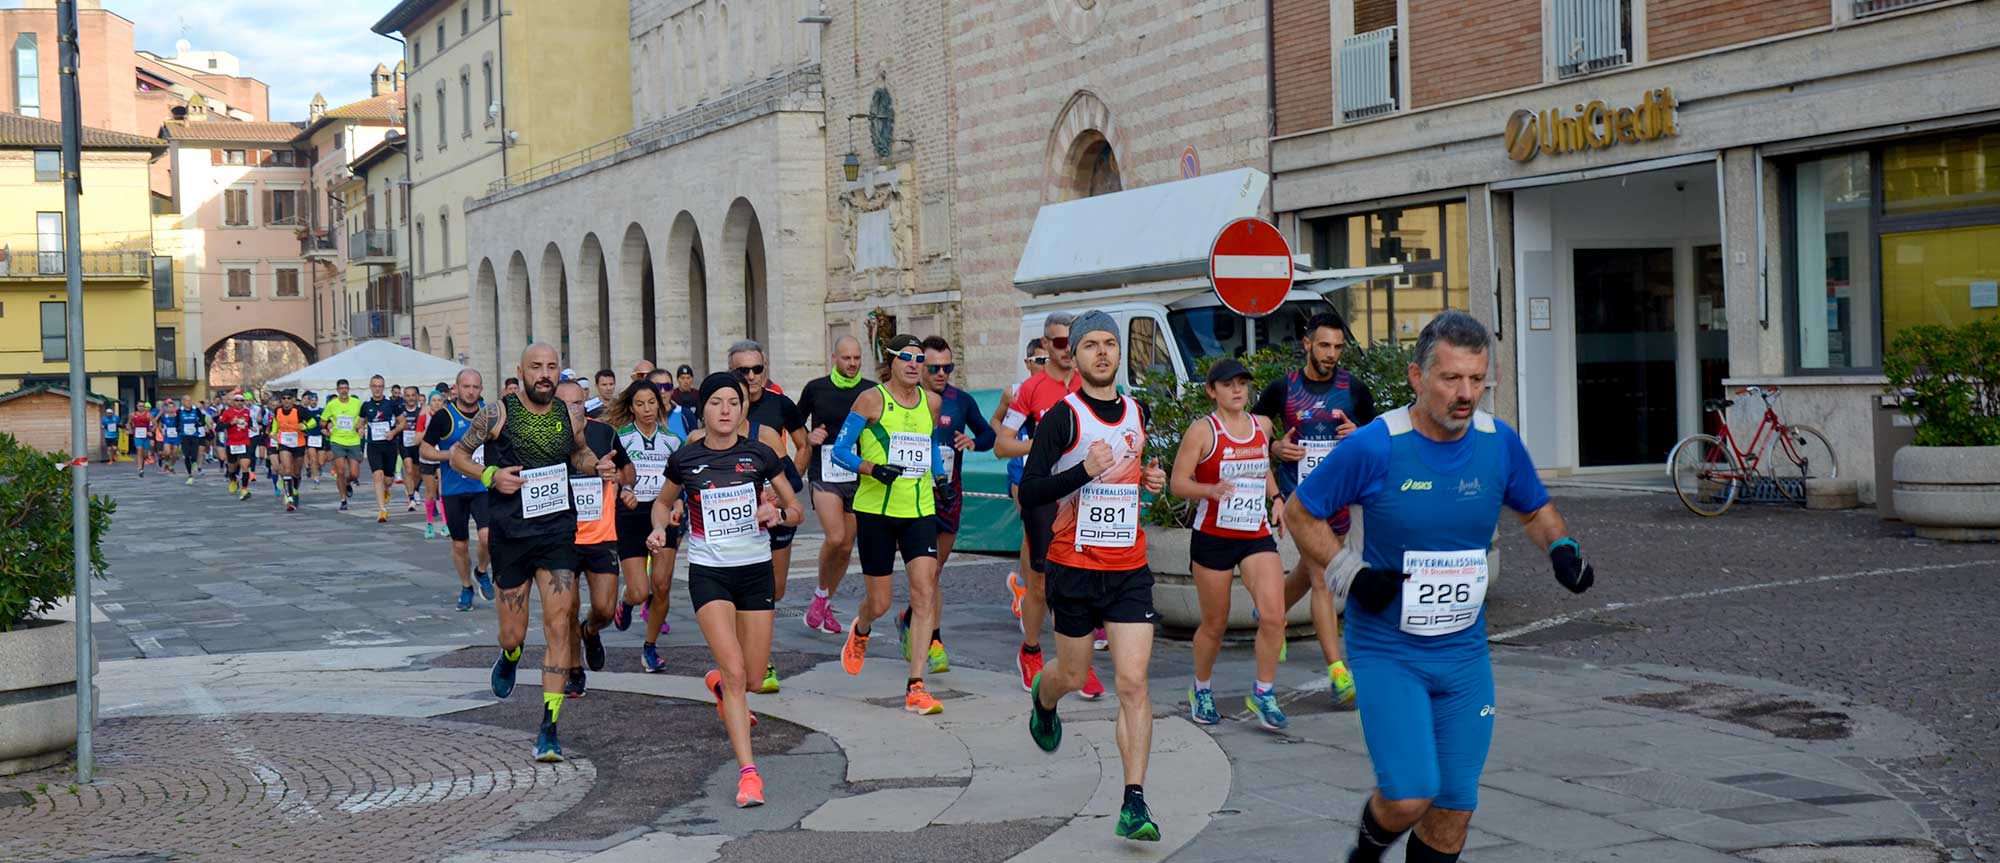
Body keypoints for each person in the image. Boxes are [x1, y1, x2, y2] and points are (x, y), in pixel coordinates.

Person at [1283, 312, 1596, 863]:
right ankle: (1365, 853)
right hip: (1389, 652)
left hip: (1464, 655)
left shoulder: (1498, 443)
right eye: (1451, 378)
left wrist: (1562, 549)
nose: (1466, 393)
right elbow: (1300, 512)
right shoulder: (1376, 446)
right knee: (1409, 797)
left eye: (1477, 379)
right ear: (1416, 377)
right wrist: (1350, 575)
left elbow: (1536, 509)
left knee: (1453, 811)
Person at [1016, 310, 1168, 843]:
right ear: (1075, 357)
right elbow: (1030, 490)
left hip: (1129, 567)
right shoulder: (1064, 417)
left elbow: (1138, 473)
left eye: (1110, 343)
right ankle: (1045, 694)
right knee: (1074, 676)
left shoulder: (1138, 409)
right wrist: (1084, 470)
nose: (1102, 352)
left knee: (1133, 683)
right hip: (1074, 567)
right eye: (1090, 346)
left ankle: (1134, 801)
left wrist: (1153, 479)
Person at [647, 371, 803, 809]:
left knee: (751, 678)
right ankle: (749, 775)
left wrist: (776, 516)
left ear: (742, 409)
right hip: (710, 573)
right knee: (737, 675)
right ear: (704, 409)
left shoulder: (761, 456)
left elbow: (795, 510)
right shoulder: (685, 459)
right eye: (716, 402)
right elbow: (662, 502)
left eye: (733, 403)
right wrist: (661, 528)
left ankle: (719, 684)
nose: (725, 410)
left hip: (755, 573)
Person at [448, 344, 602, 763]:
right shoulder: (496, 414)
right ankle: (511, 654)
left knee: (557, 627)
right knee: (513, 632)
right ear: (521, 371)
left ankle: (549, 727)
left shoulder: (569, 414)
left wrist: (594, 466)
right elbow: (458, 454)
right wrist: (491, 475)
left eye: (552, 367)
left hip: (557, 533)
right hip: (511, 535)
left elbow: (579, 451)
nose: (545, 374)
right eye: (537, 367)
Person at [1255, 311, 1376, 709]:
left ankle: (1271, 612)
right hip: (1300, 499)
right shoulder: (1283, 389)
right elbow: (1253, 432)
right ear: (1307, 344)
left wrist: (1357, 434)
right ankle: (1338, 672)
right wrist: (1274, 447)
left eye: (1338, 347)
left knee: (1311, 571)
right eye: (1324, 345)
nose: (1331, 354)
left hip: (1339, 498)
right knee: (1324, 575)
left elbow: (1376, 439)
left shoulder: (1354, 389)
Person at [829, 334, 954, 717]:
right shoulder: (871, 399)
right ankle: (863, 627)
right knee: (881, 602)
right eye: (908, 358)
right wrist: (872, 468)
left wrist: (941, 478)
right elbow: (840, 450)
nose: (916, 365)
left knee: (924, 593)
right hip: (876, 510)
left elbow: (930, 445)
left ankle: (916, 685)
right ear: (891, 361)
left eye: (922, 360)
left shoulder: (931, 402)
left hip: (918, 509)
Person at [1170, 358, 1289, 728]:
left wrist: (1277, 499)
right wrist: (1209, 489)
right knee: (1215, 623)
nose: (1237, 390)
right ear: (1212, 391)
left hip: (1254, 534)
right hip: (1214, 537)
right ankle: (1201, 689)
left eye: (1241, 383)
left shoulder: (1262, 425)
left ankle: (1263, 693)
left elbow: (1262, 466)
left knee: (1274, 615)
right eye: (1228, 384)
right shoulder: (1203, 432)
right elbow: (1178, 483)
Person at [993, 312, 1104, 699]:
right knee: (1040, 581)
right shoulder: (1031, 390)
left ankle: (1078, 663)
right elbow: (1002, 444)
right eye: (1059, 343)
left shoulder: (1093, 384)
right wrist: (1044, 446)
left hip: (1084, 493)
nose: (1067, 351)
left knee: (1084, 579)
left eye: (1072, 342)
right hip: (1043, 492)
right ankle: (1032, 650)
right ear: (1046, 346)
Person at [894, 335, 994, 675]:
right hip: (913, 497)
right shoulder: (903, 400)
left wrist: (974, 441)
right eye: (933, 367)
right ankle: (933, 640)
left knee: (934, 572)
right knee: (923, 574)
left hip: (948, 494)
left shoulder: (960, 400)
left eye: (947, 367)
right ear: (919, 366)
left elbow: (989, 435)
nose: (940, 373)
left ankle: (911, 620)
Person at [728, 340, 808, 693]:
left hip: (775, 510)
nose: (750, 376)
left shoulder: (779, 407)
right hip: (737, 516)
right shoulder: (722, 406)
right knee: (747, 590)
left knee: (773, 590)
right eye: (741, 371)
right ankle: (757, 660)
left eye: (756, 369)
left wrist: (787, 486)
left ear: (766, 369)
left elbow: (802, 447)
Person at [605, 379, 686, 671]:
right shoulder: (620, 438)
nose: (647, 409)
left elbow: (681, 483)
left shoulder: (673, 441)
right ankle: (627, 603)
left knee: (662, 587)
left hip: (664, 515)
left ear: (660, 404)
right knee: (640, 591)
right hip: (631, 514)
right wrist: (623, 491)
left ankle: (650, 648)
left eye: (651, 402)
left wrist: (678, 503)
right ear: (631, 407)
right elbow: (610, 477)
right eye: (640, 404)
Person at [558, 380, 629, 699]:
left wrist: (619, 479)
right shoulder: (546, 437)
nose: (572, 409)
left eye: (577, 402)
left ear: (585, 401)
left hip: (601, 535)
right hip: (561, 536)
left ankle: (591, 632)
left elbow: (630, 472)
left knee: (603, 608)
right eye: (564, 404)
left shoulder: (604, 433)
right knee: (567, 608)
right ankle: (574, 670)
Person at [795, 336, 867, 637]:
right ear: (834, 357)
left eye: (856, 358)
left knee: (846, 547)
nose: (852, 363)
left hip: (859, 472)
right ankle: (822, 598)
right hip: (825, 470)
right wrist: (808, 437)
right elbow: (795, 422)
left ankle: (823, 598)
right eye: (846, 358)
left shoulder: (870, 391)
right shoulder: (816, 388)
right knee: (835, 536)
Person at [422, 369, 497, 612]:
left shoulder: (490, 414)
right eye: (466, 386)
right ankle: (466, 587)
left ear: (481, 389)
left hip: (481, 487)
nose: (471, 391)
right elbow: (425, 450)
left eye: (476, 387)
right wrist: (451, 455)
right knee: (460, 545)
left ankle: (482, 571)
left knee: (488, 537)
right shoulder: (444, 416)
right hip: (453, 490)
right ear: (456, 388)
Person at [360, 375, 407, 524]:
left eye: (380, 386)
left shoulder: (391, 404)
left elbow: (402, 423)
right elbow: (360, 423)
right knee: (377, 475)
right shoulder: (366, 406)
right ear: (370, 387)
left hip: (389, 445)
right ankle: (382, 510)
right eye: (374, 386)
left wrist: (393, 432)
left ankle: (387, 489)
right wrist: (360, 429)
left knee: (388, 479)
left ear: (383, 387)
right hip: (374, 446)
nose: (377, 389)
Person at [322, 379, 366, 511]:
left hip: (353, 441)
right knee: (340, 471)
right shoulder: (332, 404)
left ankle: (348, 482)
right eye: (341, 388)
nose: (344, 390)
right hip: (337, 440)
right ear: (337, 390)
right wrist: (327, 425)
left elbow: (364, 417)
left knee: (354, 474)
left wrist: (361, 426)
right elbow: (322, 422)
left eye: (346, 388)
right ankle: (343, 500)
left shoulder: (357, 403)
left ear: (349, 389)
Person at [271, 390, 314, 512]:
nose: (286, 400)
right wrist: (273, 433)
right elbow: (275, 423)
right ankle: (289, 497)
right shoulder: (277, 411)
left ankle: (295, 489)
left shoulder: (300, 410)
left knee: (296, 472)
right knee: (287, 469)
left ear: (293, 399)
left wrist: (305, 426)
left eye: (288, 398)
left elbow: (313, 422)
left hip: (298, 444)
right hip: (284, 443)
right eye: (283, 398)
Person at [417, 392, 448, 538]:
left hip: (441, 457)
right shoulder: (424, 417)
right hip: (427, 458)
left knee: (443, 491)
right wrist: (430, 430)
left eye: (439, 400)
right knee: (430, 492)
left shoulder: (446, 416)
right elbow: (416, 439)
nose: (436, 403)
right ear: (429, 403)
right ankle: (429, 523)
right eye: (433, 401)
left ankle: (446, 523)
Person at [218, 393, 255, 500]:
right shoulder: (227, 412)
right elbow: (219, 427)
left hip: (244, 442)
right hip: (232, 443)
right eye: (237, 400)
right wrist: (230, 423)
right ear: (233, 402)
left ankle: (244, 489)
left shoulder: (247, 412)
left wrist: (252, 427)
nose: (239, 403)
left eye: (241, 401)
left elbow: (250, 423)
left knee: (245, 466)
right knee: (232, 468)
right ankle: (234, 480)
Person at [400, 384, 427, 512]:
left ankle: (414, 489)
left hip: (417, 444)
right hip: (404, 444)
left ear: (417, 396)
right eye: (408, 395)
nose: (410, 398)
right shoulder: (400, 411)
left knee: (417, 473)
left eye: (413, 395)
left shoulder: (421, 412)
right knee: (409, 470)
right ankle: (411, 498)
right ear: (404, 396)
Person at [175, 399, 208, 484]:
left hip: (194, 435)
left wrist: (199, 424)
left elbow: (202, 420)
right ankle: (190, 474)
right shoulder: (179, 411)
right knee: (186, 455)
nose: (188, 402)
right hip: (184, 435)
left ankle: (194, 462)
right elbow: (176, 422)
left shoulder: (196, 410)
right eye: (186, 401)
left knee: (194, 454)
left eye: (190, 400)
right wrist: (178, 429)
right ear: (183, 402)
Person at [301, 391, 325, 486]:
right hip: (310, 438)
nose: (314, 402)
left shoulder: (321, 411)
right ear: (309, 401)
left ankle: (319, 467)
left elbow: (327, 422)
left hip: (320, 437)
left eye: (315, 400)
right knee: (313, 459)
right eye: (312, 400)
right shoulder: (306, 411)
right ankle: (316, 479)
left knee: (321, 461)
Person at [671, 364, 701, 429]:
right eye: (682, 378)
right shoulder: (673, 395)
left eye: (688, 378)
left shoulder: (697, 395)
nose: (685, 381)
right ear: (678, 379)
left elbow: (701, 416)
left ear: (692, 379)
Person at [128, 402, 153, 476]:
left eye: (142, 406)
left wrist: (150, 431)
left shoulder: (148, 415)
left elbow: (155, 424)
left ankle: (142, 467)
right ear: (137, 406)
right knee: (139, 449)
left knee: (145, 454)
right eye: (139, 406)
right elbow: (129, 423)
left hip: (146, 436)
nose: (141, 407)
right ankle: (139, 468)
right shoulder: (133, 414)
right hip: (137, 435)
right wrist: (129, 430)